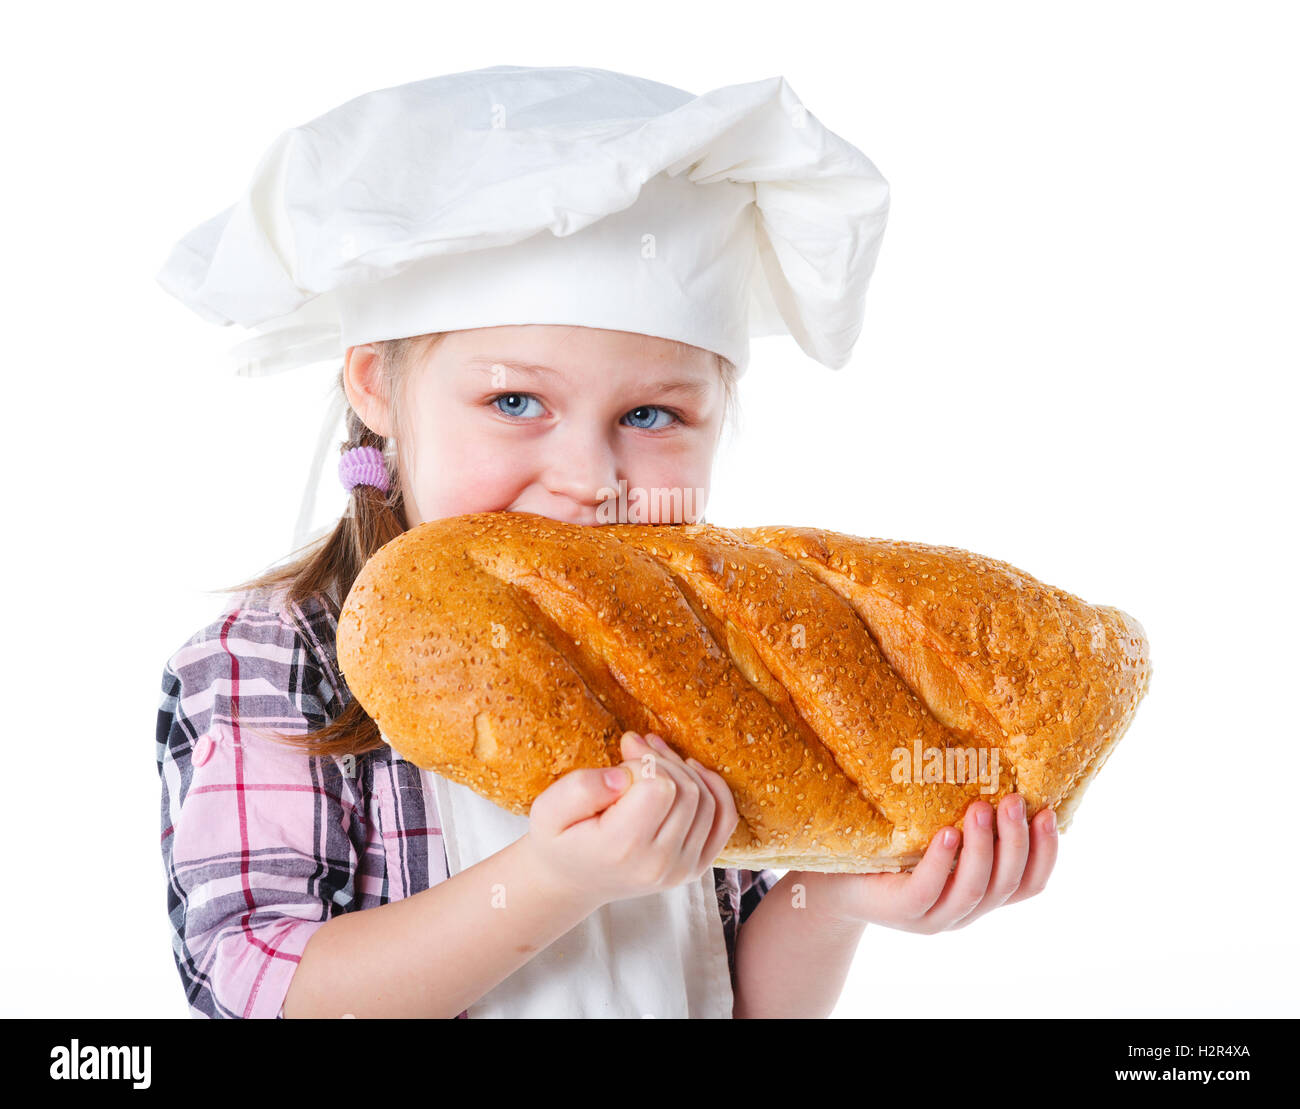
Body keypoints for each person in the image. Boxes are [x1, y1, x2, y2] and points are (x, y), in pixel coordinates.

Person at [155, 66, 1057, 1020]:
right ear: (377, 385)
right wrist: (555, 878)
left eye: (652, 413)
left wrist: (837, 895)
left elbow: (740, 1002)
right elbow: (256, 988)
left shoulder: (697, 665)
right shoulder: (272, 660)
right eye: (515, 401)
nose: (591, 477)